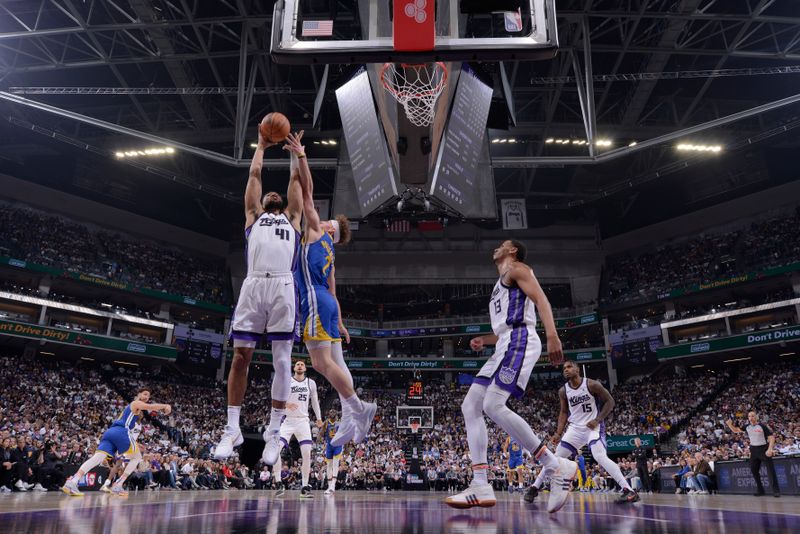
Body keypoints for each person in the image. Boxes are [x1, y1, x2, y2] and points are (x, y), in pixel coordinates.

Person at [443, 239, 577, 514]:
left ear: (512, 250)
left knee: (492, 404)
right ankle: (480, 483)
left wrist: (552, 334)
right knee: (470, 405)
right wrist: (486, 339)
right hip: (506, 341)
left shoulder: (517, 268)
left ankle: (554, 466)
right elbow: (506, 326)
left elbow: (541, 299)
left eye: (503, 244)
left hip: (521, 340)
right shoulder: (499, 283)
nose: (497, 247)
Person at [281, 132, 376, 449]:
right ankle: (352, 416)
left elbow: (307, 193)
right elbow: (334, 291)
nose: (324, 219)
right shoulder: (331, 253)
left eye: (330, 221)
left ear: (330, 230)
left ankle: (359, 410)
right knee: (338, 365)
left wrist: (301, 155)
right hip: (328, 305)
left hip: (315, 304)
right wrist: (340, 322)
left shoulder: (314, 231)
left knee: (320, 365)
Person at [215, 124, 304, 462]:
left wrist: (297, 155)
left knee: (283, 363)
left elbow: (296, 183)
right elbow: (254, 175)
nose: (270, 195)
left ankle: (273, 430)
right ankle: (232, 428)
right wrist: (262, 146)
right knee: (240, 358)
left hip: (283, 284)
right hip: (253, 284)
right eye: (267, 194)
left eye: (273, 195)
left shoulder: (293, 219)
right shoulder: (253, 216)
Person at [526, 360, 639, 504]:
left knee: (600, 456)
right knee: (554, 458)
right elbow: (563, 412)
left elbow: (610, 402)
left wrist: (598, 419)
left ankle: (628, 490)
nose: (565, 370)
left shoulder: (592, 384)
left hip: (593, 427)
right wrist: (558, 433)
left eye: (569, 367)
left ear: (577, 369)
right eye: (563, 368)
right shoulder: (563, 390)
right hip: (575, 429)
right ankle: (534, 488)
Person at [62, 389, 171, 497]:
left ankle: (72, 481)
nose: (147, 397)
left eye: (148, 395)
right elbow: (151, 407)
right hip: (121, 431)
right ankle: (118, 484)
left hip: (110, 433)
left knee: (97, 458)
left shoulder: (129, 410)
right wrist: (165, 405)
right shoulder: (135, 403)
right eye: (145, 394)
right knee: (137, 457)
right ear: (138, 394)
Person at [271, 360, 322, 499]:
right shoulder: (287, 381)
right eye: (297, 364)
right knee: (275, 450)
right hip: (287, 420)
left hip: (303, 421)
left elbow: (315, 401)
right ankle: (279, 483)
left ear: (305, 368)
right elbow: (276, 397)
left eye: (302, 364)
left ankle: (304, 487)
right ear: (294, 367)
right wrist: (286, 403)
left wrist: (318, 418)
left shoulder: (310, 383)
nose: (299, 366)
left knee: (306, 454)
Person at [727, 412, 781, 497]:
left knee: (770, 471)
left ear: (756, 417)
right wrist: (730, 425)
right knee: (754, 470)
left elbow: (771, 437)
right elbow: (736, 430)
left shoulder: (762, 426)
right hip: (754, 450)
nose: (751, 417)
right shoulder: (747, 427)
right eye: (749, 416)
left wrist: (770, 449)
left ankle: (776, 491)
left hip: (764, 449)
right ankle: (760, 490)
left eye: (752, 416)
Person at [322, 410, 344, 495]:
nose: (331, 413)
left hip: (338, 444)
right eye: (330, 412)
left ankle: (333, 485)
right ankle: (329, 486)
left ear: (336, 414)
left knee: (335, 464)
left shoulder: (340, 423)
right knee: (329, 465)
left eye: (333, 412)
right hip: (329, 445)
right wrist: (319, 436)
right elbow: (321, 432)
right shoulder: (326, 423)